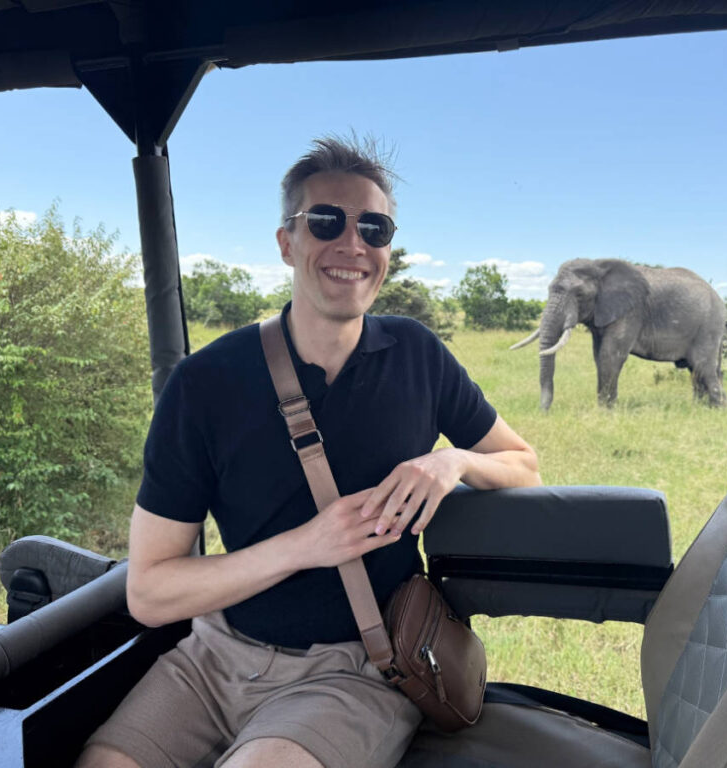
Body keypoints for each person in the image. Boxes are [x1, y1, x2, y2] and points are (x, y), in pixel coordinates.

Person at [77, 136, 541, 768]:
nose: (353, 244)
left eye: (374, 228)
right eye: (326, 221)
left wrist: (451, 461)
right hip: (214, 658)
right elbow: (151, 592)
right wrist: (306, 545)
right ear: (286, 242)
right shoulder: (205, 384)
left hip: (359, 665)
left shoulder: (417, 356)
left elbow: (523, 465)